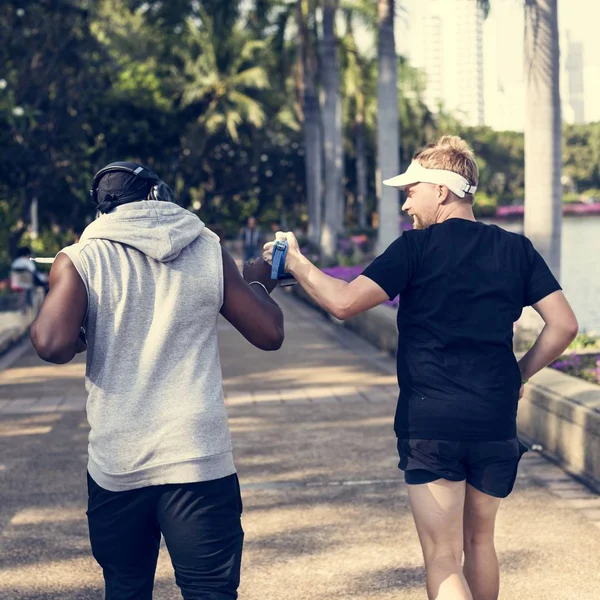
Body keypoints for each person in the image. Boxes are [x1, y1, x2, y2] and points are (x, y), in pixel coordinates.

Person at [263, 136, 578, 600]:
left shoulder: (415, 249)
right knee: (481, 543)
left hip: (432, 422)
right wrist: (519, 374)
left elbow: (344, 302)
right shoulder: (516, 249)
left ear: (442, 191)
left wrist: (296, 261)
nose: (406, 201)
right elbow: (564, 326)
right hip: (494, 423)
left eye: (412, 190)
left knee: (443, 559)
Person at [30, 161, 284, 600]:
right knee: (210, 592)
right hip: (197, 460)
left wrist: (83, 327)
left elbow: (52, 342)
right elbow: (269, 333)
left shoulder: (81, 259)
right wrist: (258, 283)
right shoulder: (206, 248)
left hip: (118, 464)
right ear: (156, 195)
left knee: (126, 588)